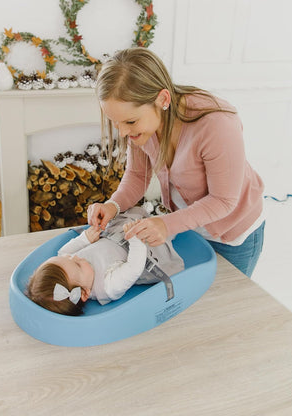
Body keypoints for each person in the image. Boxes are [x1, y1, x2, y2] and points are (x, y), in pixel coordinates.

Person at [87, 47, 265, 278]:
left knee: (224, 308)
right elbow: (138, 175)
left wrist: (167, 224)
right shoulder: (141, 126)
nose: (121, 132)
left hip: (234, 235)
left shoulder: (217, 124)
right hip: (190, 228)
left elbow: (224, 200)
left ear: (162, 99)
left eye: (129, 121)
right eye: (115, 122)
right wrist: (113, 205)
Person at [26, 207, 184, 316]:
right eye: (77, 264)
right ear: (85, 293)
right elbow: (134, 267)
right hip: (141, 251)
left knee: (131, 215)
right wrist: (135, 240)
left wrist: (85, 239)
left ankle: (157, 214)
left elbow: (63, 252)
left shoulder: (71, 267)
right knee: (162, 235)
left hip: (116, 235)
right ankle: (176, 223)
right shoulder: (108, 286)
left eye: (66, 259)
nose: (74, 256)